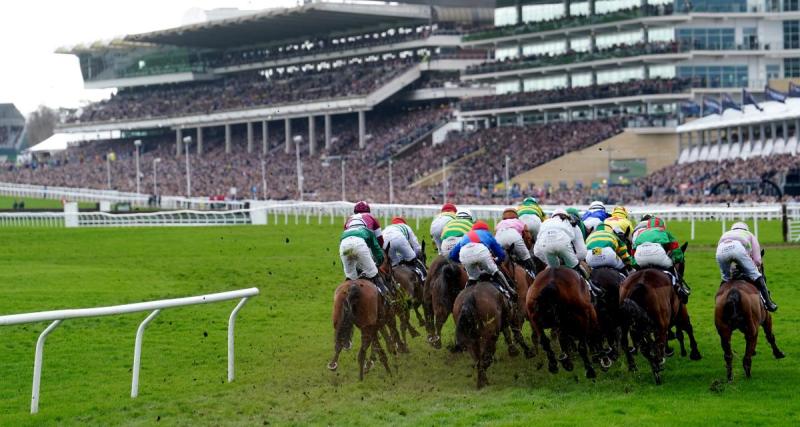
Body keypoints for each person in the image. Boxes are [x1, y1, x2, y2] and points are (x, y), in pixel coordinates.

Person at [717, 222, 777, 311]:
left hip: (720, 251)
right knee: (757, 275)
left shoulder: (725, 234)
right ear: (746, 229)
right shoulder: (749, 234)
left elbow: (724, 253)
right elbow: (757, 260)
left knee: (725, 278)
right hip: (738, 249)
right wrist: (753, 266)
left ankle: (719, 304)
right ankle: (768, 303)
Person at [449, 220, 515, 301]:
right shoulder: (487, 234)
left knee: (472, 278)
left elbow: (452, 255)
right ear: (486, 230)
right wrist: (497, 261)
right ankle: (511, 291)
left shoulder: (466, 235)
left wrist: (463, 263)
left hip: (464, 253)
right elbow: (501, 254)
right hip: (481, 251)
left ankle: (463, 297)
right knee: (495, 272)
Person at [631, 217, 690, 303]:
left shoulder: (641, 234)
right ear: (662, 226)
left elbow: (633, 253)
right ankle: (679, 288)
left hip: (640, 257)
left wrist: (636, 265)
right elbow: (676, 251)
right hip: (657, 255)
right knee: (671, 268)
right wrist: (677, 260)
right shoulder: (665, 233)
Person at [339, 217, 392, 298]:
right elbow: (376, 249)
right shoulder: (368, 231)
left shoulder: (344, 233)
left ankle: (345, 299)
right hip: (359, 245)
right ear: (363, 224)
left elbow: (343, 255)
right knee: (373, 272)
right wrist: (379, 261)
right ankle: (386, 295)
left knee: (351, 278)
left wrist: (347, 268)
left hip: (344, 248)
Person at [534, 209, 589, 286]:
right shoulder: (572, 223)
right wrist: (570, 261)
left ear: (553, 217)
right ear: (567, 216)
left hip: (546, 248)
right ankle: (589, 287)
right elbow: (582, 253)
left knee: (552, 271)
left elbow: (536, 252)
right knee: (578, 269)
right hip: (564, 246)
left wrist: (550, 261)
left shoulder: (544, 223)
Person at [495, 208, 537, 277]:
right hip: (514, 237)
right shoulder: (520, 222)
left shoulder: (499, 224)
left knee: (498, 262)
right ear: (516, 216)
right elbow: (528, 237)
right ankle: (534, 275)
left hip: (499, 239)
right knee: (527, 258)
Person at [383, 217, 427, 281]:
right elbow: (416, 247)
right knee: (412, 258)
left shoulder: (388, 227)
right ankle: (424, 278)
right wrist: (415, 254)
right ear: (404, 223)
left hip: (384, 241)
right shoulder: (406, 227)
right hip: (398, 238)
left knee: (394, 264)